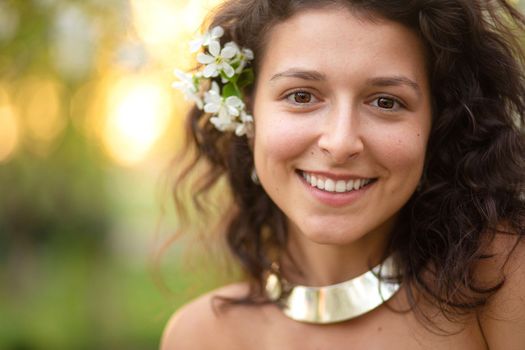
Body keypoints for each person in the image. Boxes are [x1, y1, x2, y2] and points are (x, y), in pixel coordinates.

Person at [161, 0, 525, 348]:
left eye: (386, 101)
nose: (340, 142)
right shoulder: (198, 337)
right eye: (301, 96)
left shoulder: (504, 279)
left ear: (437, 123)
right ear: (249, 110)